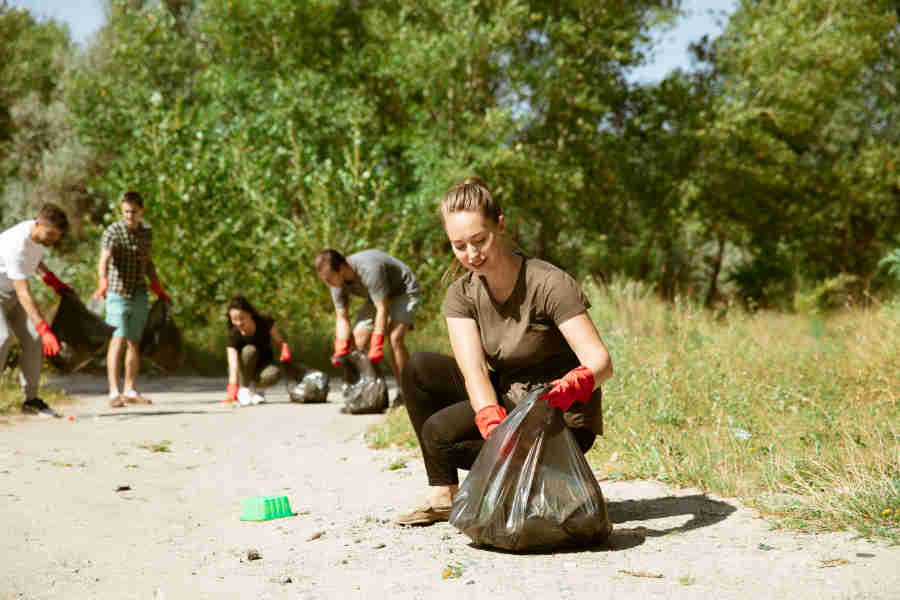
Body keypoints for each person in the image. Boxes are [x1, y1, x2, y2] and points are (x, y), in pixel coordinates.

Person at [395, 176, 613, 526]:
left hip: (557, 415)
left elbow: (601, 361)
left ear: (500, 224)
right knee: (418, 368)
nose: (471, 255)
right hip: (509, 399)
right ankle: (444, 494)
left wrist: (577, 383)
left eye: (480, 240)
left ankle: (553, 478)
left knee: (439, 435)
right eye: (459, 246)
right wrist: (491, 420)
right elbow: (474, 371)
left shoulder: (549, 283)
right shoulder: (461, 294)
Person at [92, 191, 171, 408]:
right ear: (121, 210)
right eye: (126, 211)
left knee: (134, 342)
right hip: (117, 293)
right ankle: (113, 392)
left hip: (139, 292)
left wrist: (158, 287)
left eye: (134, 212)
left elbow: (148, 262)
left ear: (141, 211)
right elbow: (104, 259)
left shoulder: (146, 232)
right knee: (117, 339)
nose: (130, 216)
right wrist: (102, 281)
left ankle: (130, 390)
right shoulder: (113, 231)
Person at [314, 248, 421, 393]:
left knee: (394, 339)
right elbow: (342, 316)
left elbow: (382, 309)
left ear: (340, 268)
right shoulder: (336, 281)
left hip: (403, 290)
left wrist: (377, 344)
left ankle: (407, 392)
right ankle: (373, 390)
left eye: (328, 279)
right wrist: (341, 345)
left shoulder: (370, 269)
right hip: (377, 296)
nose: (328, 284)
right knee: (357, 343)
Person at [0, 204, 71, 417]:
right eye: (50, 234)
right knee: (3, 338)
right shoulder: (16, 243)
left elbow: (34, 260)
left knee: (34, 339)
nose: (52, 240)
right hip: (8, 292)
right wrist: (43, 327)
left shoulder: (37, 236)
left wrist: (51, 278)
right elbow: (24, 293)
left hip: (10, 292)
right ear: (38, 224)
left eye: (56, 236)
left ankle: (31, 401)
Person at [223, 294, 293, 406]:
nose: (239, 323)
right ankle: (244, 390)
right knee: (250, 350)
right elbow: (233, 363)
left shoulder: (265, 323)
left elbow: (280, 341)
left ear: (250, 314)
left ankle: (257, 390)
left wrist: (285, 349)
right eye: (234, 319)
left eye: (242, 318)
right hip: (243, 371)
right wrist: (232, 386)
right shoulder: (233, 335)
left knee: (274, 373)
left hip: (263, 365)